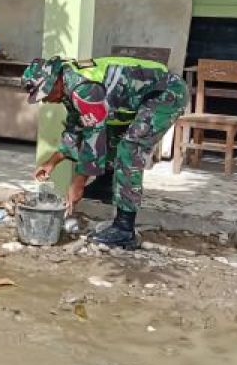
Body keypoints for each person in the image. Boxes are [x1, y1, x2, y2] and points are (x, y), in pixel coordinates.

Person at [24, 55, 189, 249]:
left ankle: (124, 228)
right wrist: (51, 163)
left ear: (55, 82)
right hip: (140, 97)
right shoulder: (69, 86)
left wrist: (78, 184)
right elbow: (75, 128)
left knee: (130, 147)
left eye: (45, 94)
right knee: (112, 133)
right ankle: (107, 185)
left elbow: (93, 138)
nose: (46, 101)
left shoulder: (83, 89)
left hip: (166, 94)